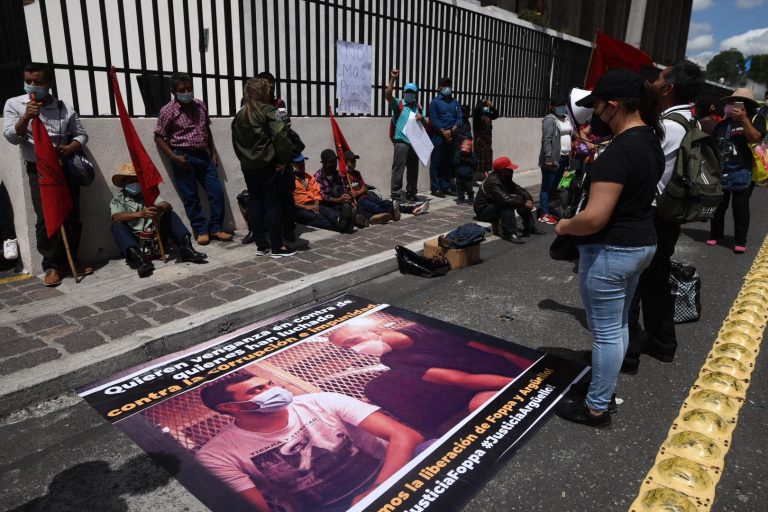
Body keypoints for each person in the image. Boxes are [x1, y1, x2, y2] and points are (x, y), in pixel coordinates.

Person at [554, 69, 663, 428]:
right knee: (617, 326)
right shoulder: (650, 140)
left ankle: (596, 406)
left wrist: (565, 225)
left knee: (605, 332)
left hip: (611, 251)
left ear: (613, 106)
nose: (594, 114)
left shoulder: (619, 152)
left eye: (598, 107)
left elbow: (595, 218)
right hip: (641, 244)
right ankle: (603, 388)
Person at [196, 373, 424, 512]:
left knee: (428, 448)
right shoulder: (217, 455)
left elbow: (407, 436)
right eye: (258, 390)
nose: (273, 391)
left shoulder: (322, 401)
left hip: (389, 470)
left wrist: (377, 489)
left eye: (270, 384)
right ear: (230, 407)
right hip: (330, 508)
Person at [623, 62, 705, 370]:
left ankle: (627, 353)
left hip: (652, 214)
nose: (653, 82)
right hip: (669, 216)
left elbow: (641, 163)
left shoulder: (668, 125)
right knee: (655, 281)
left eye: (658, 78)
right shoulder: (688, 120)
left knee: (630, 282)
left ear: (668, 88)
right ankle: (662, 342)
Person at [328, 318, 534, 436]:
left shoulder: (426, 328)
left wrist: (533, 376)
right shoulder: (391, 360)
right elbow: (460, 379)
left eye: (354, 340)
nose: (355, 349)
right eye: (348, 348)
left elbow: (503, 351)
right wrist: (519, 384)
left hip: (511, 362)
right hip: (490, 379)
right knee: (480, 405)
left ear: (374, 329)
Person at [3, 63, 91, 287]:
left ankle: (74, 260)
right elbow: (12, 137)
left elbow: (81, 135)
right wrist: (25, 118)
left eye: (38, 82)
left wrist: (69, 148)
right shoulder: (15, 104)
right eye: (29, 81)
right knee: (46, 217)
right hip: (39, 170)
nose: (33, 86)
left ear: (48, 84)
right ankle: (52, 266)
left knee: (71, 214)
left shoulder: (63, 108)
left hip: (64, 167)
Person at [154, 73, 231, 246]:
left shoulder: (200, 105)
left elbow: (206, 129)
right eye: (182, 90)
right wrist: (174, 157)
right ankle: (201, 230)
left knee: (217, 192)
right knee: (191, 197)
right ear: (174, 91)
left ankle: (216, 228)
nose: (187, 92)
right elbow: (158, 137)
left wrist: (213, 152)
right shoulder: (168, 110)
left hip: (203, 155)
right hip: (183, 157)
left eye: (189, 88)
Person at [232, 78, 296, 258]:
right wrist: (284, 160)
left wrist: (246, 160)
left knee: (255, 203)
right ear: (263, 92)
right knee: (272, 205)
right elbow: (281, 135)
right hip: (269, 165)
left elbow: (236, 142)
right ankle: (277, 247)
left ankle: (261, 246)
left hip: (249, 166)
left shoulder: (241, 114)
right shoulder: (270, 111)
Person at [109, 164, 207, 277]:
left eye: (136, 179)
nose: (134, 183)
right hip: (136, 241)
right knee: (116, 226)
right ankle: (142, 261)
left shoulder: (149, 194)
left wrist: (160, 208)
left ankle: (187, 249)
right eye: (131, 180)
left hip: (155, 237)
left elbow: (167, 205)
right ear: (124, 183)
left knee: (170, 214)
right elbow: (116, 217)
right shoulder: (118, 200)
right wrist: (140, 214)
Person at [708, 88, 767, 254]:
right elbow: (713, 145)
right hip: (722, 171)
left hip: (745, 171)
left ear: (747, 105)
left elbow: (755, 137)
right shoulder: (722, 124)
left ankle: (740, 240)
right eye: (732, 102)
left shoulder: (757, 119)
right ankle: (715, 235)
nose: (733, 106)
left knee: (740, 207)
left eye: (739, 102)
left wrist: (743, 120)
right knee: (719, 206)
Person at [473, 156, 543, 243]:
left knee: (520, 200)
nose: (512, 170)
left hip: (495, 205)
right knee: (507, 205)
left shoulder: (504, 177)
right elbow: (505, 199)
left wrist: (528, 199)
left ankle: (530, 227)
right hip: (483, 210)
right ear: (502, 170)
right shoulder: (493, 181)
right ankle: (509, 233)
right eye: (509, 169)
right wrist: (523, 202)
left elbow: (519, 189)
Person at [384, 69, 423, 202]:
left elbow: (424, 124)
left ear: (416, 93)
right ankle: (395, 195)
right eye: (408, 91)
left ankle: (411, 193)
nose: (410, 94)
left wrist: (421, 118)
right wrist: (392, 79)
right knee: (398, 170)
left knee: (413, 170)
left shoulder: (418, 107)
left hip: (414, 143)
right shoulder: (399, 104)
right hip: (401, 142)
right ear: (404, 92)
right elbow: (388, 95)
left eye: (412, 92)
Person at [292, 154, 352, 232]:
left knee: (327, 211)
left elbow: (317, 192)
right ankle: (343, 227)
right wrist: (305, 207)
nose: (302, 164)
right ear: (293, 164)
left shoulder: (308, 177)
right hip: (299, 208)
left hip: (312, 203)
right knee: (317, 217)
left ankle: (341, 220)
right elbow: (288, 199)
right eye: (299, 163)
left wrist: (316, 204)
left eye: (303, 162)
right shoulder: (290, 179)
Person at [537, 94, 572, 224]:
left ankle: (551, 209)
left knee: (556, 186)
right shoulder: (549, 120)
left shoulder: (566, 118)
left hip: (564, 157)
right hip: (553, 159)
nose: (562, 108)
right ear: (552, 107)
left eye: (563, 105)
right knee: (547, 186)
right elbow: (546, 140)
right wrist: (548, 157)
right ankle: (544, 214)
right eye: (559, 106)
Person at [344, 151, 399, 225]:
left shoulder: (357, 173)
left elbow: (364, 187)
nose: (354, 163)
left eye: (355, 161)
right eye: (352, 161)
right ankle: (391, 213)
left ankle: (404, 208)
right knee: (374, 207)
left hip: (366, 197)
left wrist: (357, 192)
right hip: (358, 202)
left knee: (383, 202)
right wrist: (350, 195)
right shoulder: (343, 176)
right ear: (346, 162)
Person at [428, 77, 462, 197]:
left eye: (449, 85)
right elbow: (433, 119)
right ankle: (435, 188)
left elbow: (459, 117)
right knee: (436, 162)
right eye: (445, 85)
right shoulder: (434, 103)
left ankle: (446, 187)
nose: (448, 88)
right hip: (438, 136)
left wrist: (454, 128)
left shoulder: (455, 102)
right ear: (439, 88)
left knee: (448, 162)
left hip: (452, 135)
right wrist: (443, 131)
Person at [314, 149, 358, 234]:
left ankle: (348, 220)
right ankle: (342, 221)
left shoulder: (337, 174)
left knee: (349, 207)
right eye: (331, 162)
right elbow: (322, 196)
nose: (334, 164)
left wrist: (346, 196)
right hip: (325, 203)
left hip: (338, 202)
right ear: (324, 163)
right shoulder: (318, 176)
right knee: (329, 212)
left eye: (335, 161)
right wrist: (338, 200)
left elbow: (343, 188)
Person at [472, 99, 499, 181]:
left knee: (487, 155)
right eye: (485, 106)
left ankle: (485, 173)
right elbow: (478, 108)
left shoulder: (488, 114)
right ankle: (480, 174)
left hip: (487, 137)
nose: (486, 107)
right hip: (480, 137)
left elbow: (496, 115)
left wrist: (491, 106)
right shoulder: (478, 112)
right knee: (481, 155)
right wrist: (484, 102)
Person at [453, 139, 477, 204]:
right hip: (459, 175)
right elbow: (455, 162)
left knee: (469, 189)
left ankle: (471, 199)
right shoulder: (458, 153)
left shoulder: (472, 155)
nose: (465, 153)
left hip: (468, 176)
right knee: (460, 189)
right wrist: (461, 159)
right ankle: (460, 198)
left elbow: (474, 163)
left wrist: (468, 160)